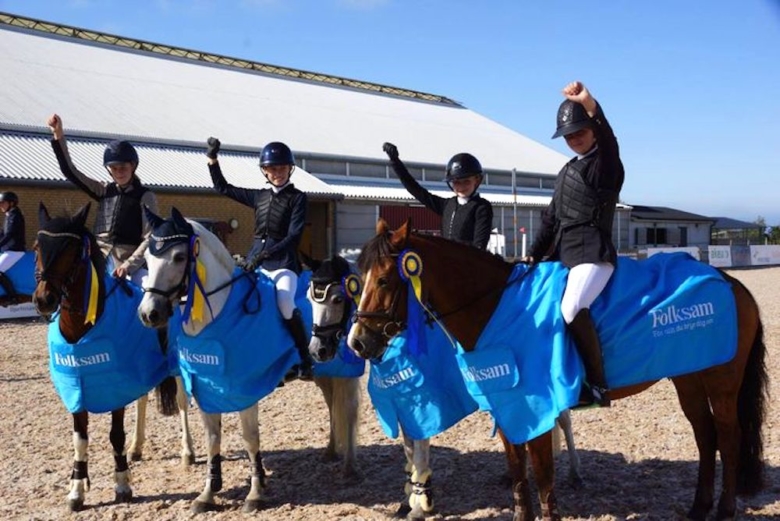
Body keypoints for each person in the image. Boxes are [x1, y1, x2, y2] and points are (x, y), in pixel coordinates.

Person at [524, 81, 625, 408]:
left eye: (579, 131)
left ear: (592, 130)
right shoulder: (566, 171)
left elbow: (609, 138)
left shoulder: (605, 164)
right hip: (563, 255)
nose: (574, 138)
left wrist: (589, 103)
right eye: (568, 135)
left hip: (593, 254)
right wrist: (532, 255)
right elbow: (551, 221)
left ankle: (597, 385)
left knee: (571, 308)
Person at [205, 137, 313, 381]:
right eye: (272, 169)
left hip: (284, 264)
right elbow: (222, 188)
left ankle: (304, 358)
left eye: (282, 168)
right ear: (265, 171)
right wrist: (212, 160)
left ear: (289, 169)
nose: (277, 173)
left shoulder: (298, 198)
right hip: (255, 262)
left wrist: (264, 255)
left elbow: (294, 236)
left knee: (284, 302)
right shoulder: (259, 197)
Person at [47, 114, 157, 286]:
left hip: (128, 264)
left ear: (133, 166)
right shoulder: (103, 190)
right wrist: (58, 134)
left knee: (149, 290)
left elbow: (150, 237)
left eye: (123, 167)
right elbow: (70, 172)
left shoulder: (145, 195)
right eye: (114, 168)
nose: (119, 172)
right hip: (97, 260)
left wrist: (128, 266)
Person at [382, 143, 493, 250]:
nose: (461, 187)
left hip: (468, 264)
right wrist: (395, 161)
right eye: (456, 182)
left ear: (477, 180)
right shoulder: (448, 205)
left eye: (466, 181)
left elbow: (479, 247)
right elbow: (416, 190)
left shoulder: (482, 207)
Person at [0, 191, 27, 298]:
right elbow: (2, 233)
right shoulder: (9, 215)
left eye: (2, 203)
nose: (0, 205)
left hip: (15, 250)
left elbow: (9, 234)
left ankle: (12, 296)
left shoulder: (15, 215)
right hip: (9, 250)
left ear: (11, 203)